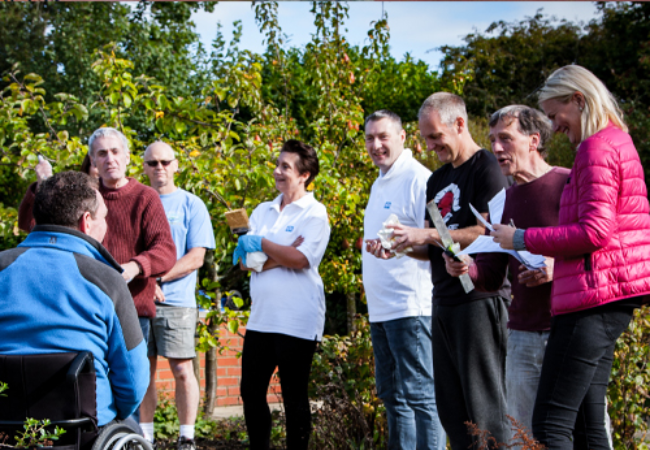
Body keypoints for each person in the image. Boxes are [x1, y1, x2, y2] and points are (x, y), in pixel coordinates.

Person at [491, 65, 650, 449]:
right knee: (587, 422)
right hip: (608, 295)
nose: (553, 125)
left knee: (550, 424)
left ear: (578, 100)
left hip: (592, 297)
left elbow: (595, 231)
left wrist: (522, 239)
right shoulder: (615, 142)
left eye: (554, 113)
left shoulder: (597, 147)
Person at [388, 92, 511, 448]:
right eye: (426, 137)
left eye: (434, 136)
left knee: (485, 411)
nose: (429, 146)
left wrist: (425, 233)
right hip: (442, 303)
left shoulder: (487, 166)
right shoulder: (436, 180)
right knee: (453, 413)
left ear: (459, 124)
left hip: (480, 301)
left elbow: (487, 231)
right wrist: (400, 247)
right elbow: (436, 245)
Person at [443, 105, 569, 439]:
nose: (496, 148)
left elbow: (595, 246)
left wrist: (557, 267)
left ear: (533, 140)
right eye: (493, 139)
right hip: (522, 334)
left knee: (579, 431)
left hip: (569, 329)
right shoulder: (503, 200)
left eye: (506, 139)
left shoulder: (567, 182)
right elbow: (491, 274)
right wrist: (465, 268)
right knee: (523, 437)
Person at [0, 171, 149, 429]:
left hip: (4, 424)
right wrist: (114, 413)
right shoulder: (107, 280)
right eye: (104, 217)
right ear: (87, 222)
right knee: (131, 427)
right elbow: (134, 382)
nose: (107, 225)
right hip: (84, 429)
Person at [235, 140, 330, 450]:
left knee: (294, 396)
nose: (277, 171)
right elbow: (243, 262)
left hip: (297, 319)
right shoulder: (263, 210)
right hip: (262, 318)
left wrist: (261, 244)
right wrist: (282, 253)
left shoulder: (315, 213)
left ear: (304, 175)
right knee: (250, 391)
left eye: (285, 167)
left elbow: (302, 260)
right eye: (277, 164)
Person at [362, 109, 445, 450]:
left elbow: (443, 242)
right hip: (381, 310)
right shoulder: (379, 182)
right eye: (370, 138)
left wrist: (402, 248)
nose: (376, 145)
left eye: (383, 137)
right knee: (394, 399)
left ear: (402, 138)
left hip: (411, 308)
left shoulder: (420, 179)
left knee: (422, 398)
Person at [139, 142, 215, 450]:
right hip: (140, 301)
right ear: (144, 166)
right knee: (143, 371)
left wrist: (158, 277)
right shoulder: (138, 202)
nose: (159, 167)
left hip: (177, 302)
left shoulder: (191, 204)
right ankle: (145, 438)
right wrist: (144, 283)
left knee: (183, 369)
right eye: (153, 162)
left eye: (165, 162)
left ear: (176, 165)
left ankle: (187, 437)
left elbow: (196, 257)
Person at [18, 153, 99, 232]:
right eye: (96, 164)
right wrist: (45, 188)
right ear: (88, 167)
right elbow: (29, 224)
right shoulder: (74, 196)